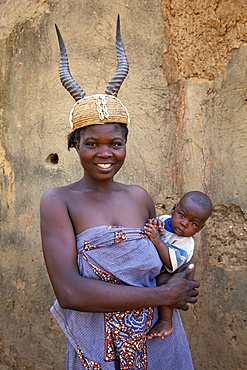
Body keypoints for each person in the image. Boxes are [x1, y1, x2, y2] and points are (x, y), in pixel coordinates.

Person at [40, 16, 200, 369]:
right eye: (91, 143)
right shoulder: (58, 201)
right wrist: (163, 293)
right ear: (74, 145)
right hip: (98, 346)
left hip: (158, 340)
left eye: (115, 143)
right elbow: (69, 292)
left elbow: (161, 261)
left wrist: (180, 282)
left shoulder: (138, 197)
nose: (105, 153)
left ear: (125, 144)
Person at [144, 191, 212, 340]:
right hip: (156, 271)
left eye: (193, 223)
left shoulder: (186, 243)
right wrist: (153, 224)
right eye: (182, 215)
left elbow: (171, 263)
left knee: (164, 284)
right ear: (173, 209)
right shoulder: (164, 220)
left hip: (172, 276)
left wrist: (157, 241)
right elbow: (151, 228)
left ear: (199, 229)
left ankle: (166, 321)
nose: (184, 223)